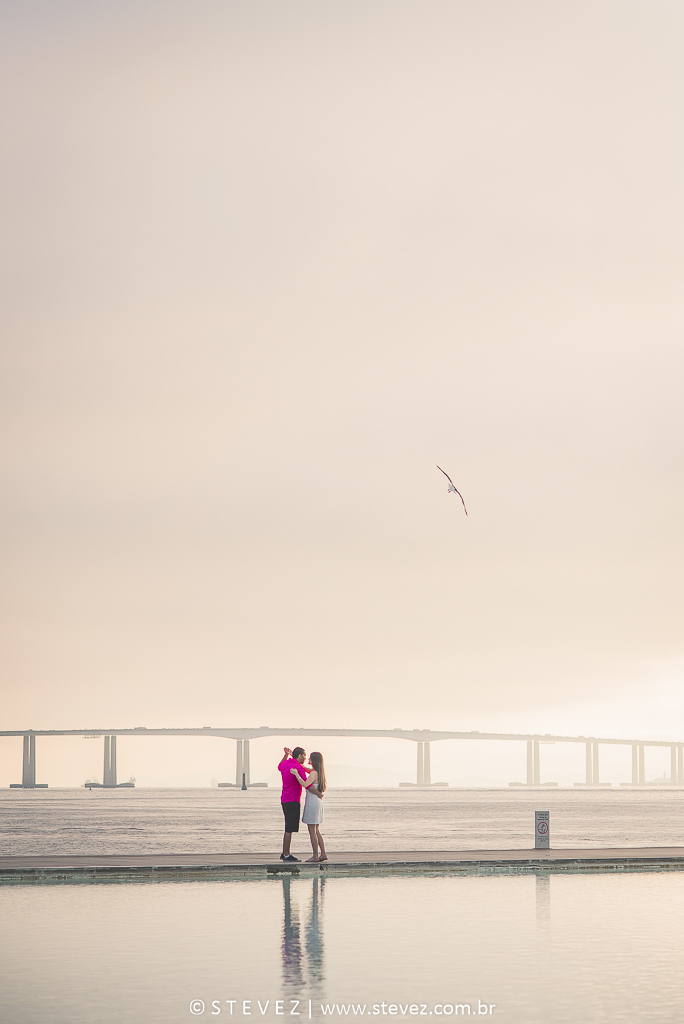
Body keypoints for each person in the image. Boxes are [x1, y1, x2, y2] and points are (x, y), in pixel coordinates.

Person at [278, 746, 322, 861]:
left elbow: (279, 766)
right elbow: (307, 785)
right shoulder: (298, 769)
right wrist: (318, 793)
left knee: (288, 826)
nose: (305, 758)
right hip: (293, 800)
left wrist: (286, 755)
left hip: (284, 799)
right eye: (304, 756)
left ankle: (285, 852)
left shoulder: (286, 764)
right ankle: (286, 854)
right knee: (289, 828)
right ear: (300, 756)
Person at [291, 751, 327, 862]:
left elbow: (305, 784)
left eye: (310, 758)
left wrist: (296, 774)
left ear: (314, 760)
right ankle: (323, 854)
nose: (308, 760)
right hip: (318, 803)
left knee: (312, 830)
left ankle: (315, 855)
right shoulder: (319, 772)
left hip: (312, 802)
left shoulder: (313, 774)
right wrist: (298, 764)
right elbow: (305, 768)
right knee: (316, 830)